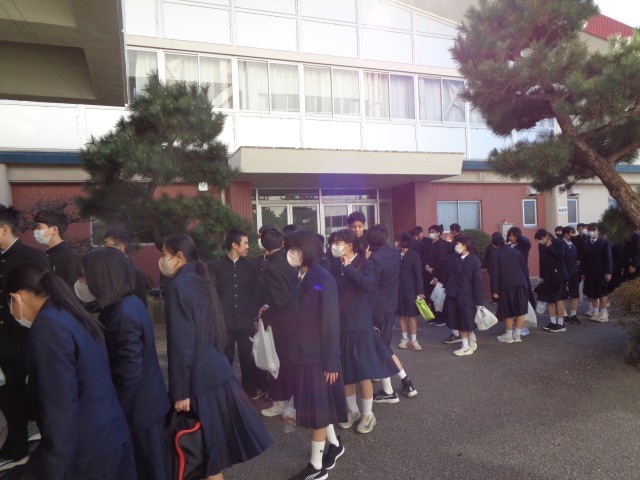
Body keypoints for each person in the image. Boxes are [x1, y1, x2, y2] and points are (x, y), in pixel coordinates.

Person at [5, 262, 135, 479]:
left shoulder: (47, 328)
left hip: (87, 451)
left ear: (16, 298)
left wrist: (54, 470)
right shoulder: (70, 313)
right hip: (110, 436)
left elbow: (60, 409)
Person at [161, 234, 272, 480]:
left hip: (198, 378)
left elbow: (181, 343)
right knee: (210, 456)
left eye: (165, 254)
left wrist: (180, 392)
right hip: (215, 370)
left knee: (205, 456)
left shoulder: (178, 286)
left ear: (179, 256)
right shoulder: (201, 278)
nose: (162, 259)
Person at [81, 247, 170, 479]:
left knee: (148, 470)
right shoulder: (128, 303)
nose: (83, 281)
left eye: (85, 275)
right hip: (148, 405)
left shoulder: (122, 313)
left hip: (139, 411)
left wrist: (114, 414)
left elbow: (129, 373)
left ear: (102, 276)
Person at [284, 230, 347, 480]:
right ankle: (336, 446)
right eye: (289, 248)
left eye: (294, 248)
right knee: (318, 407)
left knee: (317, 411)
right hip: (300, 354)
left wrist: (331, 363)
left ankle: (316, 467)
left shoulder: (323, 278)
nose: (290, 253)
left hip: (319, 357)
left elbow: (331, 323)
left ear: (307, 250)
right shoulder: (296, 277)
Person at [331, 229, 398, 435]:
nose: (334, 246)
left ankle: (368, 414)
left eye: (338, 242)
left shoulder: (366, 264)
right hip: (341, 326)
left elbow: (367, 285)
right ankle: (353, 411)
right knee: (345, 372)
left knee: (363, 372)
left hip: (361, 325)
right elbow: (327, 288)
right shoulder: (334, 265)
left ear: (349, 245)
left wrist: (349, 268)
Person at [0, 205, 49, 470]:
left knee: (36, 396)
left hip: (25, 340)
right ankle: (16, 445)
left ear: (3, 229)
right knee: (8, 396)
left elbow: (45, 301)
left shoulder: (32, 256)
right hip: (3, 344)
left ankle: (49, 445)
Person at [367, 227, 418, 404]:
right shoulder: (394, 253)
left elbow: (370, 285)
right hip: (390, 305)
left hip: (377, 308)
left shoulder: (374, 258)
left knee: (381, 348)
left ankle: (391, 390)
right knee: (383, 346)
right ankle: (405, 382)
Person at [209, 229, 263, 398]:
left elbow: (255, 293)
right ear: (234, 245)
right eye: (245, 243)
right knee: (225, 357)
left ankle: (249, 391)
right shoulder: (216, 267)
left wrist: (254, 317)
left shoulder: (251, 267)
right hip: (224, 322)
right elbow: (213, 294)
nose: (248, 246)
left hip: (246, 320)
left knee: (247, 357)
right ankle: (225, 391)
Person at [256, 227, 298, 419]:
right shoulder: (290, 260)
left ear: (264, 245)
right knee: (289, 361)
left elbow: (280, 299)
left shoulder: (271, 267)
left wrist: (268, 307)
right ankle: (292, 401)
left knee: (278, 361)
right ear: (282, 243)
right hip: (295, 318)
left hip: (281, 321)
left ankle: (282, 401)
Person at [444, 235, 483, 356]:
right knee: (459, 320)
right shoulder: (455, 258)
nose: (457, 246)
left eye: (459, 244)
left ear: (466, 245)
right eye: (456, 244)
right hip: (454, 294)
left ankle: (467, 346)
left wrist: (480, 302)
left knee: (465, 320)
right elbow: (444, 258)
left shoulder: (474, 260)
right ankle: (467, 344)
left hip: (467, 295)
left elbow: (477, 281)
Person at [489, 233, 530, 344]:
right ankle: (517, 335)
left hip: (506, 285)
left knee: (508, 311)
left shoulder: (495, 254)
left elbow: (495, 274)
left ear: (494, 245)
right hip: (521, 283)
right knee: (521, 311)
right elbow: (524, 268)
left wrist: (495, 291)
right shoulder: (516, 251)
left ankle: (508, 336)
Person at [102, 228, 150, 307]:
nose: (104, 250)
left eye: (107, 246)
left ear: (121, 248)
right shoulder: (110, 269)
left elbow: (140, 304)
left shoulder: (134, 273)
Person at [33, 209, 81, 288]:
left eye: (39, 227)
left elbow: (73, 288)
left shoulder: (70, 256)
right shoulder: (41, 256)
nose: (35, 231)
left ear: (54, 230)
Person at [534, 229, 569, 332]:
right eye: (538, 240)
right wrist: (542, 276)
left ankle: (561, 324)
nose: (540, 241)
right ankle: (553, 322)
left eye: (540, 239)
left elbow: (561, 255)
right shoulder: (541, 245)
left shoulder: (558, 242)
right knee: (549, 300)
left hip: (559, 275)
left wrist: (550, 247)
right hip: (548, 276)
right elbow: (542, 261)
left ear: (546, 236)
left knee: (558, 299)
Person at [396, 232, 425, 350]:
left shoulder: (414, 255)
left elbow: (418, 274)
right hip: (398, 289)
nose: (397, 242)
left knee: (412, 316)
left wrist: (420, 292)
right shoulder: (395, 254)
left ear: (404, 242)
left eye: (399, 240)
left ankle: (414, 340)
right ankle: (404, 339)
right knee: (401, 315)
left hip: (411, 289)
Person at [581, 223, 613, 323]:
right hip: (589, 272)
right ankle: (595, 313)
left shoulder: (604, 242)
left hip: (601, 272)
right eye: (590, 230)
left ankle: (603, 314)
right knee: (592, 293)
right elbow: (583, 259)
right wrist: (583, 272)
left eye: (593, 230)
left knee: (602, 293)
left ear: (598, 231)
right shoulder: (585, 243)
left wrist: (609, 272)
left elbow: (608, 257)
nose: (591, 232)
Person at [424, 224, 449, 328]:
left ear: (438, 233)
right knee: (431, 296)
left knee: (439, 296)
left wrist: (435, 273)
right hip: (428, 274)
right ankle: (434, 316)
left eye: (433, 232)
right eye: (430, 232)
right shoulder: (428, 244)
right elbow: (424, 257)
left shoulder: (442, 245)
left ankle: (442, 318)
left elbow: (442, 262)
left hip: (439, 275)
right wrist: (426, 267)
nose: (431, 234)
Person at [562, 226, 581, 324]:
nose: (574, 235)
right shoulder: (560, 244)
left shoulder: (573, 246)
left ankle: (573, 315)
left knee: (575, 295)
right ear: (566, 234)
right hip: (564, 273)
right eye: (572, 233)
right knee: (564, 296)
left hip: (574, 273)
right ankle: (564, 315)